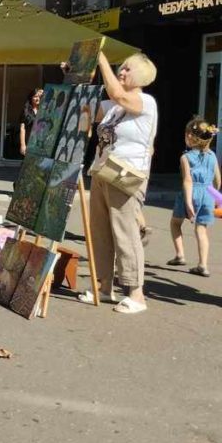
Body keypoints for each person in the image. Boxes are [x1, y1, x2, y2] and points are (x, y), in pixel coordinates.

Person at [83, 52, 158, 314]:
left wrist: (101, 59)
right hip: (104, 171)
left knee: (125, 232)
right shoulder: (115, 107)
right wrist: (77, 74)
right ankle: (104, 286)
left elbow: (118, 94)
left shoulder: (144, 101)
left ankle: (136, 294)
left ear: (141, 75)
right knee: (100, 230)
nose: (121, 72)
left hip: (126, 175)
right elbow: (87, 110)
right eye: (120, 68)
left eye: (126, 69)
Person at [168, 117, 220, 276]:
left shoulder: (185, 157)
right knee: (201, 229)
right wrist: (215, 197)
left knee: (175, 223)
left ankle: (180, 255)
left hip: (191, 193)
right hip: (208, 194)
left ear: (190, 136)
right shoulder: (212, 156)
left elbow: (187, 181)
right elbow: (218, 180)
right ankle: (203, 265)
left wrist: (189, 202)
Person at [19, 88, 43, 156]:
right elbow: (22, 129)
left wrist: (43, 92)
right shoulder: (26, 111)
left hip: (41, 142)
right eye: (35, 96)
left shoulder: (44, 109)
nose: (37, 98)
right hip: (30, 142)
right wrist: (23, 145)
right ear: (31, 98)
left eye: (39, 97)